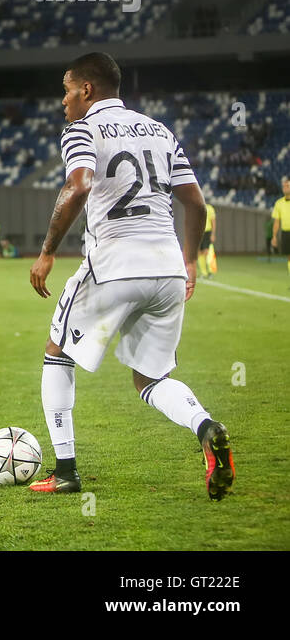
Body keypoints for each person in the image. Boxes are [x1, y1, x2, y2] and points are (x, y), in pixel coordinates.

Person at [28, 52, 231, 500]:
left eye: (66, 89)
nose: (63, 100)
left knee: (57, 352)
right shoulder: (160, 131)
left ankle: (65, 471)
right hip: (168, 271)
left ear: (87, 90)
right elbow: (195, 203)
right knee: (150, 379)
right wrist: (191, 261)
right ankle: (207, 428)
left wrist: (46, 253)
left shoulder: (82, 129)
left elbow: (78, 185)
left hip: (116, 264)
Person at [272, 177, 290, 284]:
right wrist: (274, 236)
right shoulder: (279, 203)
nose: (285, 188)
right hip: (286, 233)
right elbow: (277, 221)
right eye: (284, 186)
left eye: (287, 186)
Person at [198, 202, 217, 278]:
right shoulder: (197, 208)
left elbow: (213, 222)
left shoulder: (209, 208)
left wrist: (213, 234)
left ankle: (210, 271)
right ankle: (203, 272)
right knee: (199, 253)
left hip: (207, 232)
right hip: (199, 232)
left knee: (207, 252)